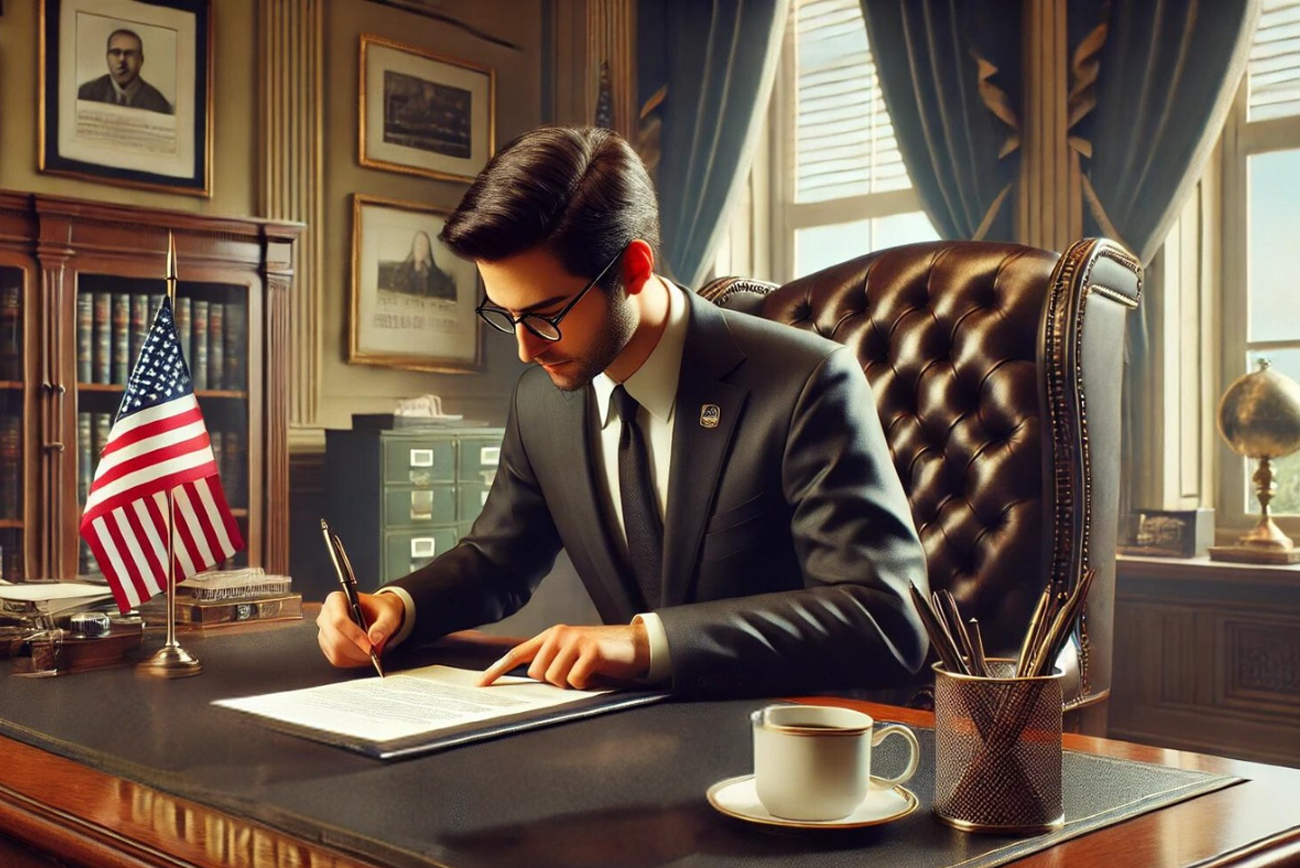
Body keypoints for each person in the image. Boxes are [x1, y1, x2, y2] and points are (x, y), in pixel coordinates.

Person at [316, 125, 928, 697]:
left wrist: (644, 642)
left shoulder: (807, 382)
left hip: (783, 747)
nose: (525, 348)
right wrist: (398, 606)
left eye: (547, 314)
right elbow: (498, 558)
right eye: (505, 315)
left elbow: (885, 616)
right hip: (625, 739)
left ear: (634, 269)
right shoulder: (542, 398)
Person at [78, 29, 174, 115]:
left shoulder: (159, 105)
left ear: (141, 60)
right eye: (115, 52)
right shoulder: (86, 93)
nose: (122, 59)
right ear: (107, 57)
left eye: (130, 54)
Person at [387, 230, 457, 301]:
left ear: (428, 250)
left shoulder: (438, 277)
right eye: (418, 243)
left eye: (424, 244)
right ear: (413, 248)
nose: (420, 246)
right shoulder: (401, 273)